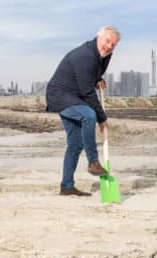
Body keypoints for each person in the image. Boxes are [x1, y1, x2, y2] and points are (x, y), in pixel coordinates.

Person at [46, 26, 121, 196]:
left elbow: (90, 76)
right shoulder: (86, 55)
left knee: (75, 144)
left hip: (73, 96)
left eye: (113, 44)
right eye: (107, 41)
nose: (109, 46)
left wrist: (98, 79)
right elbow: (87, 92)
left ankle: (66, 186)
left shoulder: (104, 55)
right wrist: (102, 118)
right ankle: (93, 162)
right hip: (60, 95)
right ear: (98, 37)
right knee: (89, 115)